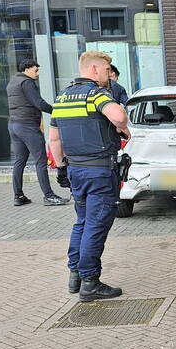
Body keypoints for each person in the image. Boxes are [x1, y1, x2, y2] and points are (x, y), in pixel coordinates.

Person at [48, 50, 131, 302]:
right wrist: (123, 128)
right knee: (96, 225)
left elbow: (54, 138)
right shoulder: (96, 94)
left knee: (82, 222)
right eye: (107, 70)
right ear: (94, 69)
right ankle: (90, 282)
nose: (109, 75)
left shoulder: (62, 98)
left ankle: (75, 275)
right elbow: (118, 115)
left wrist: (61, 167)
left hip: (76, 171)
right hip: (98, 171)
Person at [6, 60, 67, 206]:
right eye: (36, 70)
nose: (38, 74)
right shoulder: (26, 82)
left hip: (14, 125)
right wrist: (58, 110)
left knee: (20, 160)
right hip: (27, 126)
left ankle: (18, 196)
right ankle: (49, 196)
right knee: (40, 161)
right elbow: (38, 103)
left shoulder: (12, 82)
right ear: (27, 69)